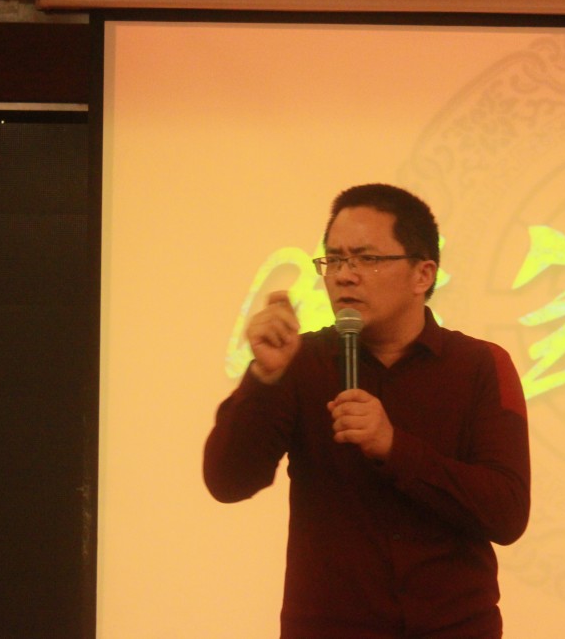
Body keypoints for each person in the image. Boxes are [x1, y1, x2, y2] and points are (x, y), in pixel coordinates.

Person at [204, 183, 531, 639]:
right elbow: (227, 481)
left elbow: (507, 513)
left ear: (423, 274)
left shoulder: (480, 365)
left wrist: (394, 447)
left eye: (366, 259)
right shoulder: (300, 362)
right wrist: (263, 377)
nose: (344, 275)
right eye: (334, 260)